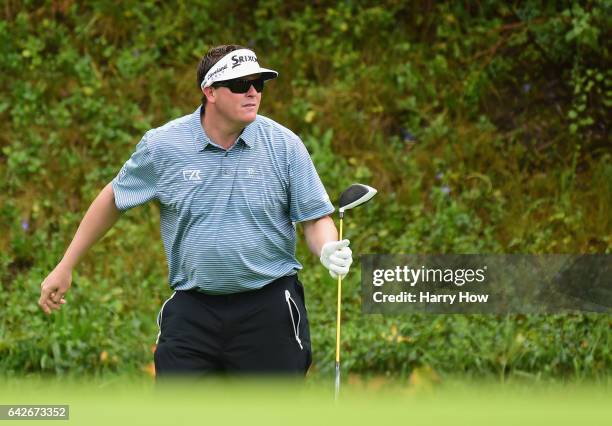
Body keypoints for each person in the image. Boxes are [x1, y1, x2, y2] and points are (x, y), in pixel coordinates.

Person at [38, 44, 353, 377]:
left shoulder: (284, 144)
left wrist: (326, 247)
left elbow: (315, 217)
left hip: (269, 309)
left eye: (258, 84)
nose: (252, 92)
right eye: (239, 84)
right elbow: (114, 198)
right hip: (193, 311)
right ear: (210, 91)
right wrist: (66, 265)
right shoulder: (163, 146)